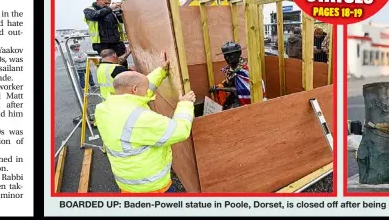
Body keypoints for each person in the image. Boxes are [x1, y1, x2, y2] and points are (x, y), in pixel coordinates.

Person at [95, 56, 196, 194]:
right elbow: (179, 131)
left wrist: (161, 71)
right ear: (135, 90)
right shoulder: (140, 119)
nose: (148, 91)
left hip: (127, 184)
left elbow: (145, 88)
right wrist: (185, 104)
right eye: (145, 88)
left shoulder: (103, 109)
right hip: (152, 188)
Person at [209, 41, 265, 108]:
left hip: (248, 100)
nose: (227, 58)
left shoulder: (246, 70)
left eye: (231, 55)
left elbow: (244, 90)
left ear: (239, 53)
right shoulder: (229, 69)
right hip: (234, 97)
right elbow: (229, 82)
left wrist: (222, 89)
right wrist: (218, 87)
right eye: (225, 55)